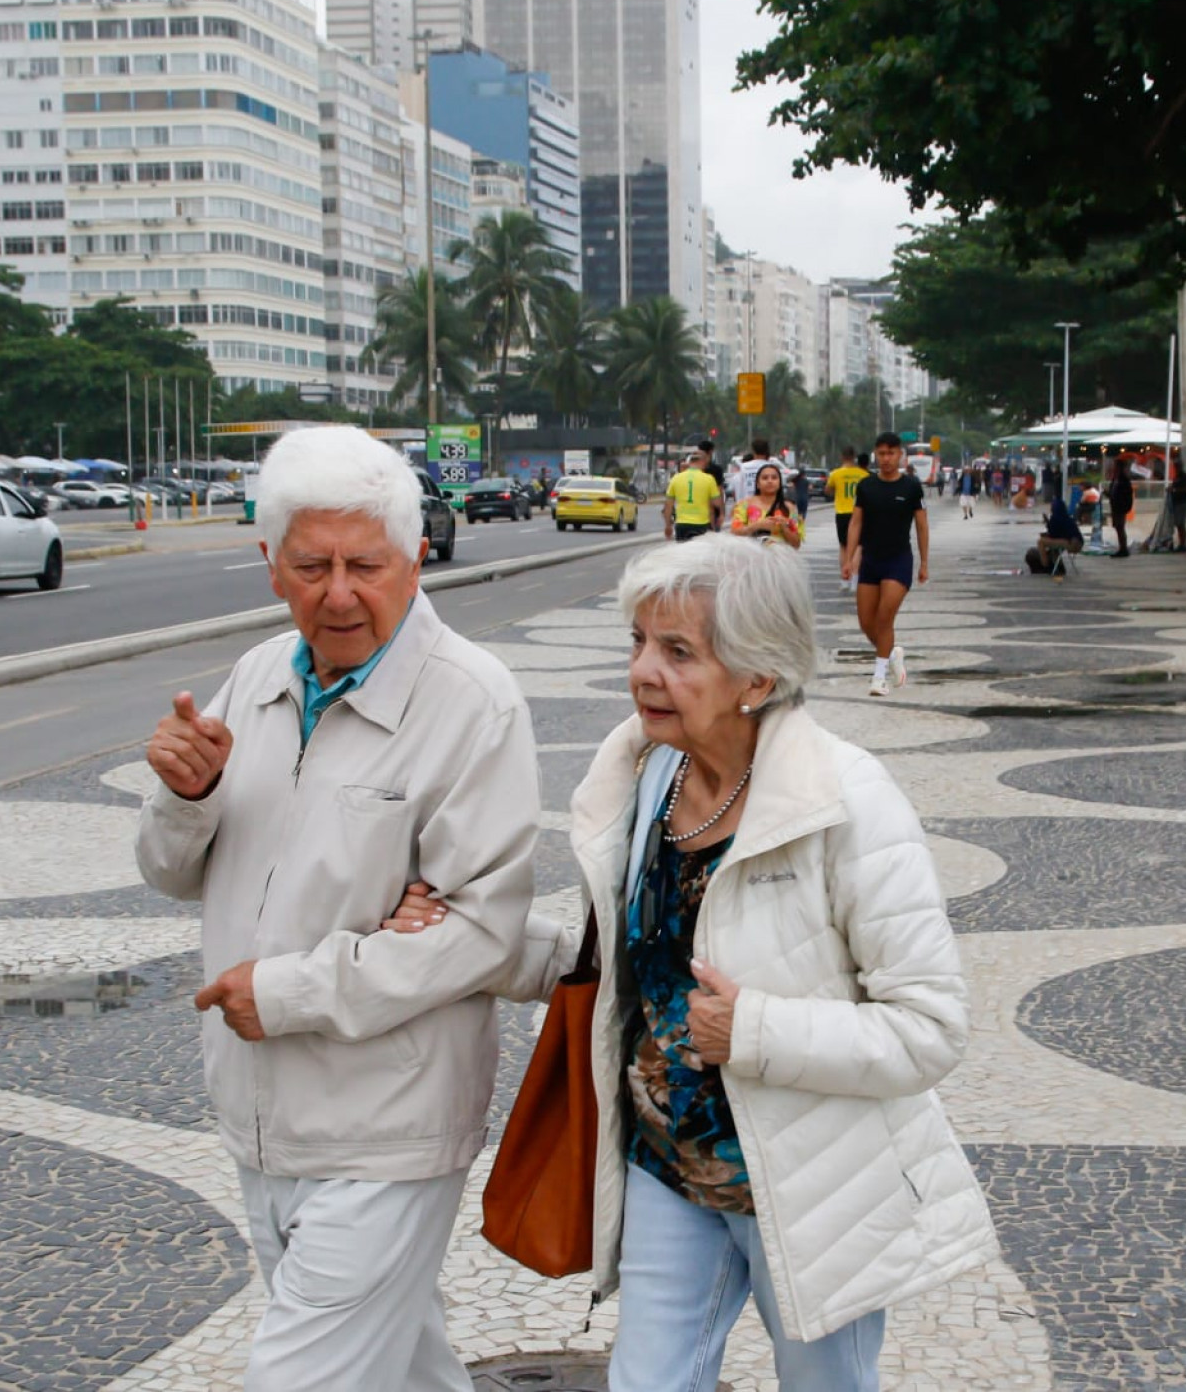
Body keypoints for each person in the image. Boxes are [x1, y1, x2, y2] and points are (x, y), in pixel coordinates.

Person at [389, 535, 996, 1391]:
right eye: (638, 643)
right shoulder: (648, 779)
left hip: (814, 1183)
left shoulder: (844, 801)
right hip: (670, 1166)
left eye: (678, 652)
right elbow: (626, 967)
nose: (644, 671)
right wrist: (474, 937)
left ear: (757, 676)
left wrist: (753, 1030)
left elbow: (931, 1028)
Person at [136, 427, 542, 1389]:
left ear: (414, 558)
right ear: (270, 563)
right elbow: (170, 870)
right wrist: (184, 798)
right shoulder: (258, 678)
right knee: (401, 1367)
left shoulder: (472, 704)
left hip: (389, 1123)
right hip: (262, 1110)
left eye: (367, 563)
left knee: (302, 1375)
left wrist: (285, 993)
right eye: (312, 564)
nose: (340, 592)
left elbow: (479, 931)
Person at [842, 432, 927, 697]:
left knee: (884, 617)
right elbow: (856, 522)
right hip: (871, 561)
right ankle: (892, 655)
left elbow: (922, 525)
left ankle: (879, 677)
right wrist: (849, 558)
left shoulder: (911, 486)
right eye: (881, 454)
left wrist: (925, 562)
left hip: (898, 560)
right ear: (875, 454)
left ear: (900, 454)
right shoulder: (866, 486)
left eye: (891, 453)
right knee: (866, 621)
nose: (886, 459)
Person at [730, 462, 804, 550]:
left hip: (780, 559)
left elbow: (796, 544)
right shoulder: (744, 505)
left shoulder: (790, 508)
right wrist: (757, 525)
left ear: (780, 483)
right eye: (765, 478)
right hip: (750, 557)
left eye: (774, 478)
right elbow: (734, 533)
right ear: (757, 484)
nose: (770, 481)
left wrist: (785, 528)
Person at [825, 445, 870, 593]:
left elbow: (828, 491)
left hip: (842, 513)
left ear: (842, 457)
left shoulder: (835, 474)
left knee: (844, 547)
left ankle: (844, 580)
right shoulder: (863, 474)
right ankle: (855, 581)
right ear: (854, 457)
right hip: (859, 512)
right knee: (858, 547)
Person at [665, 449, 724, 544]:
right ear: (702, 462)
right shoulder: (709, 479)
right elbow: (716, 502)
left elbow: (668, 506)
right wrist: (721, 514)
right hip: (701, 524)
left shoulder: (676, 478)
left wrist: (668, 525)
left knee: (683, 553)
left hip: (682, 524)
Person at [1027, 495, 1084, 579]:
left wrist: (1047, 524)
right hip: (1077, 543)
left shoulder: (1056, 518)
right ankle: (1056, 565)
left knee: (1041, 542)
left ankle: (1045, 565)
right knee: (1054, 544)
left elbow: (1053, 535)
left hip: (1071, 544)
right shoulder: (1067, 517)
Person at [1106, 458, 1134, 558]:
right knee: (1118, 527)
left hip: (1120, 507)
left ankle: (1123, 548)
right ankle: (1122, 547)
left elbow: (1126, 494)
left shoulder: (1124, 480)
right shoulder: (1116, 479)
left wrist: (1125, 505)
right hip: (1115, 506)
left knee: (1120, 527)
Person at [733, 436, 773, 505]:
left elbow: (740, 489)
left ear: (753, 451)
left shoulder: (744, 467)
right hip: (768, 505)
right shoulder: (772, 467)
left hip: (749, 506)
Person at [1166, 457, 1186, 551]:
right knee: (1176, 524)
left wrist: (1174, 490)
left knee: (1181, 524)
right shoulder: (1176, 477)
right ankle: (1179, 543)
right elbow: (1173, 486)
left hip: (1181, 503)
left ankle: (1183, 544)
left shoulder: (1185, 477)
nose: (1176, 468)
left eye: (1177, 466)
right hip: (1175, 503)